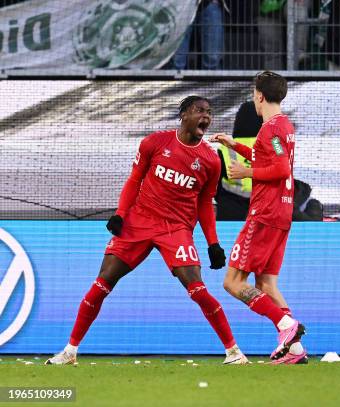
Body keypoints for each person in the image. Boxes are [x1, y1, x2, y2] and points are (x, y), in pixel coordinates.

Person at [46, 96, 248, 365]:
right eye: (200, 111)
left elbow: (204, 203)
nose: (206, 117)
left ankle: (234, 352)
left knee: (197, 288)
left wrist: (213, 243)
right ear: (184, 114)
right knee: (102, 282)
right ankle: (70, 351)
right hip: (139, 222)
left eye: (209, 113)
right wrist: (120, 215)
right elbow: (134, 180)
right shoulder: (154, 142)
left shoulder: (211, 160)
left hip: (176, 229)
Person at [210, 71, 307, 364]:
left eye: (254, 93)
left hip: (264, 214)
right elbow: (269, 157)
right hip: (281, 213)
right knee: (266, 284)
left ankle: (285, 325)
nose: (254, 98)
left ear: (260, 96)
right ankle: (295, 351)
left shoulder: (271, 129)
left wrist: (244, 172)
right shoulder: (283, 126)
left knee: (233, 282)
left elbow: (279, 169)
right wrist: (234, 145)